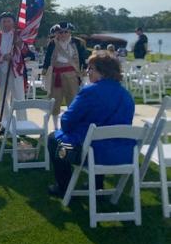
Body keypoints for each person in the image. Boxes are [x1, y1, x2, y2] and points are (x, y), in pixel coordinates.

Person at [47, 52, 135, 197]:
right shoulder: (126, 95)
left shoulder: (90, 91)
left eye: (91, 68)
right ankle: (97, 183)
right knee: (99, 140)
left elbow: (66, 122)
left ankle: (63, 186)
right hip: (123, 154)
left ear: (102, 71)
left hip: (92, 154)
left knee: (54, 139)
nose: (87, 72)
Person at [42, 22, 87, 129]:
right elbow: (47, 59)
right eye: (60, 32)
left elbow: (82, 58)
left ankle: (72, 125)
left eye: (65, 32)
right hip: (56, 75)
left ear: (70, 32)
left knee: (73, 101)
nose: (63, 34)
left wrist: (84, 71)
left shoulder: (78, 43)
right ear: (56, 33)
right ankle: (55, 127)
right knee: (55, 101)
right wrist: (44, 73)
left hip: (72, 75)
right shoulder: (52, 43)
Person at [0, 12, 28, 135]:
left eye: (8, 21)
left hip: (16, 70)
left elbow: (26, 51)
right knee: (3, 98)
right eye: (4, 21)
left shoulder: (18, 35)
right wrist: (3, 57)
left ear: (13, 22)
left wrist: (19, 43)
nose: (6, 24)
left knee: (19, 98)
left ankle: (22, 124)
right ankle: (4, 123)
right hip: (3, 70)